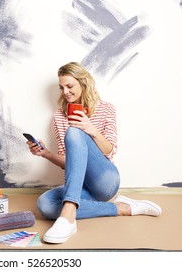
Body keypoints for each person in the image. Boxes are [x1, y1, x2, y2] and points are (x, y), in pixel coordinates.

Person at [26, 62, 162, 244]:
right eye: (61, 87)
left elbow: (110, 149)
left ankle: (68, 217)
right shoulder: (60, 116)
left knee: (74, 131)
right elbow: (68, 161)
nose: (65, 92)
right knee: (45, 205)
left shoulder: (106, 108)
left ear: (83, 83)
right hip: (79, 187)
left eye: (70, 86)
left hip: (104, 180)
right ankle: (121, 208)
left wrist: (90, 129)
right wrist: (45, 154)